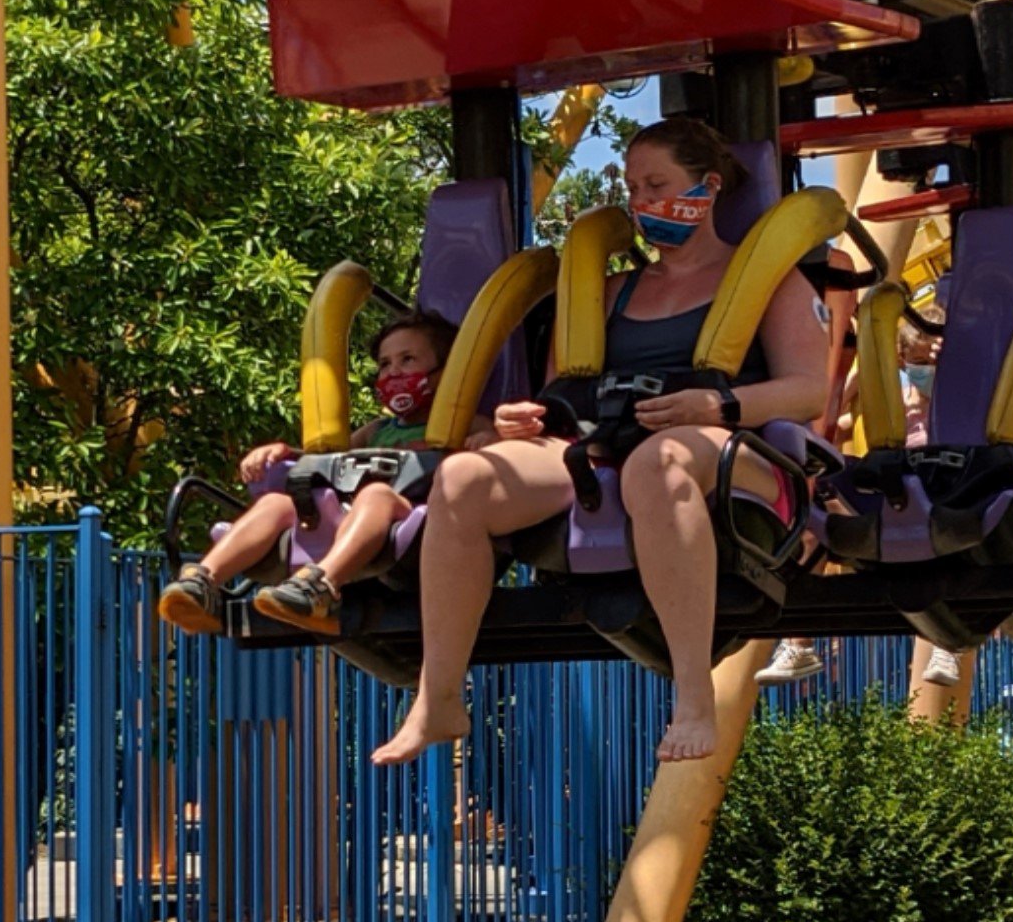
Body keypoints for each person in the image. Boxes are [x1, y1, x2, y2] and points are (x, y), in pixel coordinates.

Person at [371, 118, 831, 767]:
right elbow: (567, 392)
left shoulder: (773, 284)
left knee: (659, 463)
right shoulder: (613, 291)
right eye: (633, 188)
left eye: (658, 185)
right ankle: (439, 696)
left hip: (738, 451)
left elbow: (809, 391)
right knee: (464, 479)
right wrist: (523, 421)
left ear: (708, 187)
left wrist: (717, 404)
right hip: (605, 444)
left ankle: (694, 698)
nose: (642, 203)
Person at [157, 311, 455, 638]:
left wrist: (481, 442)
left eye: (407, 359)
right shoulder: (376, 432)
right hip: (346, 519)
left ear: (446, 371)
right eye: (385, 364)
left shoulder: (464, 425)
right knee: (277, 502)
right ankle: (203, 582)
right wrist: (281, 453)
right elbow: (324, 461)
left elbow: (491, 459)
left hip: (419, 525)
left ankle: (321, 586)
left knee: (376, 494)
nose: (393, 372)